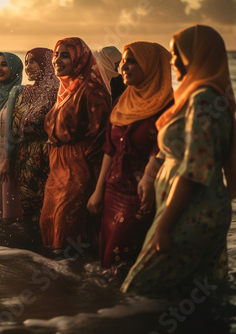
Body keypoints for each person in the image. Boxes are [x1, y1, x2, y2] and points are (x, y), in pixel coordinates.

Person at [121, 25, 236, 297]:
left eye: (178, 53)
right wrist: (152, 174)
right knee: (203, 290)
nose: (172, 60)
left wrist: (164, 226)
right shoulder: (203, 96)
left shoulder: (203, 100)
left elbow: (194, 169)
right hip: (203, 208)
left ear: (197, 55)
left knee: (138, 289)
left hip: (192, 210)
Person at [87, 42, 174, 272]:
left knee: (121, 259)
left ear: (152, 66)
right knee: (105, 258)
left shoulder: (167, 105)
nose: (123, 67)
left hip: (143, 194)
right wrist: (98, 191)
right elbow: (109, 149)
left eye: (132, 61)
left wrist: (150, 177)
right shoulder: (121, 101)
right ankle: (107, 305)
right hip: (112, 190)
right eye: (123, 61)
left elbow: (167, 148)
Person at [40, 37, 111, 251]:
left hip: (77, 172)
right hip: (57, 171)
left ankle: (70, 282)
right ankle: (54, 279)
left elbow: (100, 139)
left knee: (67, 231)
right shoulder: (66, 90)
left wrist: (97, 188)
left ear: (79, 59)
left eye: (65, 55)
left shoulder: (91, 91)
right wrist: (51, 140)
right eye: (56, 54)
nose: (57, 60)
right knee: (48, 226)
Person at [1, 48, 58, 234]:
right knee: (28, 212)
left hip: (47, 159)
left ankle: (47, 257)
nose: (28, 67)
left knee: (48, 211)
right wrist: (8, 158)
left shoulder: (57, 92)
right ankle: (29, 256)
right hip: (23, 159)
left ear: (47, 64)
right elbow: (9, 130)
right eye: (26, 63)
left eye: (33, 61)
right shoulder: (19, 91)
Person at [0, 52, 24, 220]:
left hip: (11, 160)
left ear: (14, 69)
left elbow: (19, 131)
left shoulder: (20, 95)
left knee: (11, 212)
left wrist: (9, 158)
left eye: (4, 65)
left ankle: (14, 245)